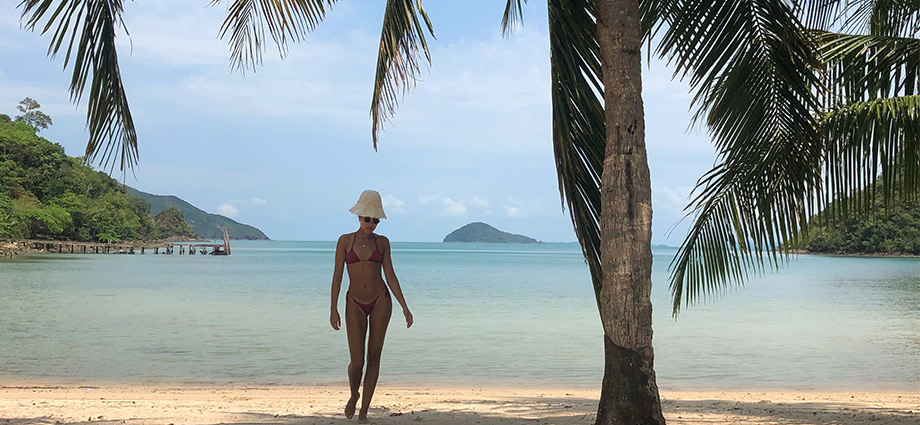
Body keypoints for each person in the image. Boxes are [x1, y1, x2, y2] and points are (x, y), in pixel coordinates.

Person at [330, 189, 413, 423]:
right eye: (367, 219)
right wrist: (333, 308)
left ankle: (364, 411)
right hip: (354, 302)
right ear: (359, 218)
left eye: (375, 220)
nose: (371, 224)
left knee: (374, 357)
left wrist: (405, 307)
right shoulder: (345, 241)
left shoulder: (383, 243)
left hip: (380, 301)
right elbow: (337, 276)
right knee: (357, 361)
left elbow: (390, 275)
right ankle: (354, 393)